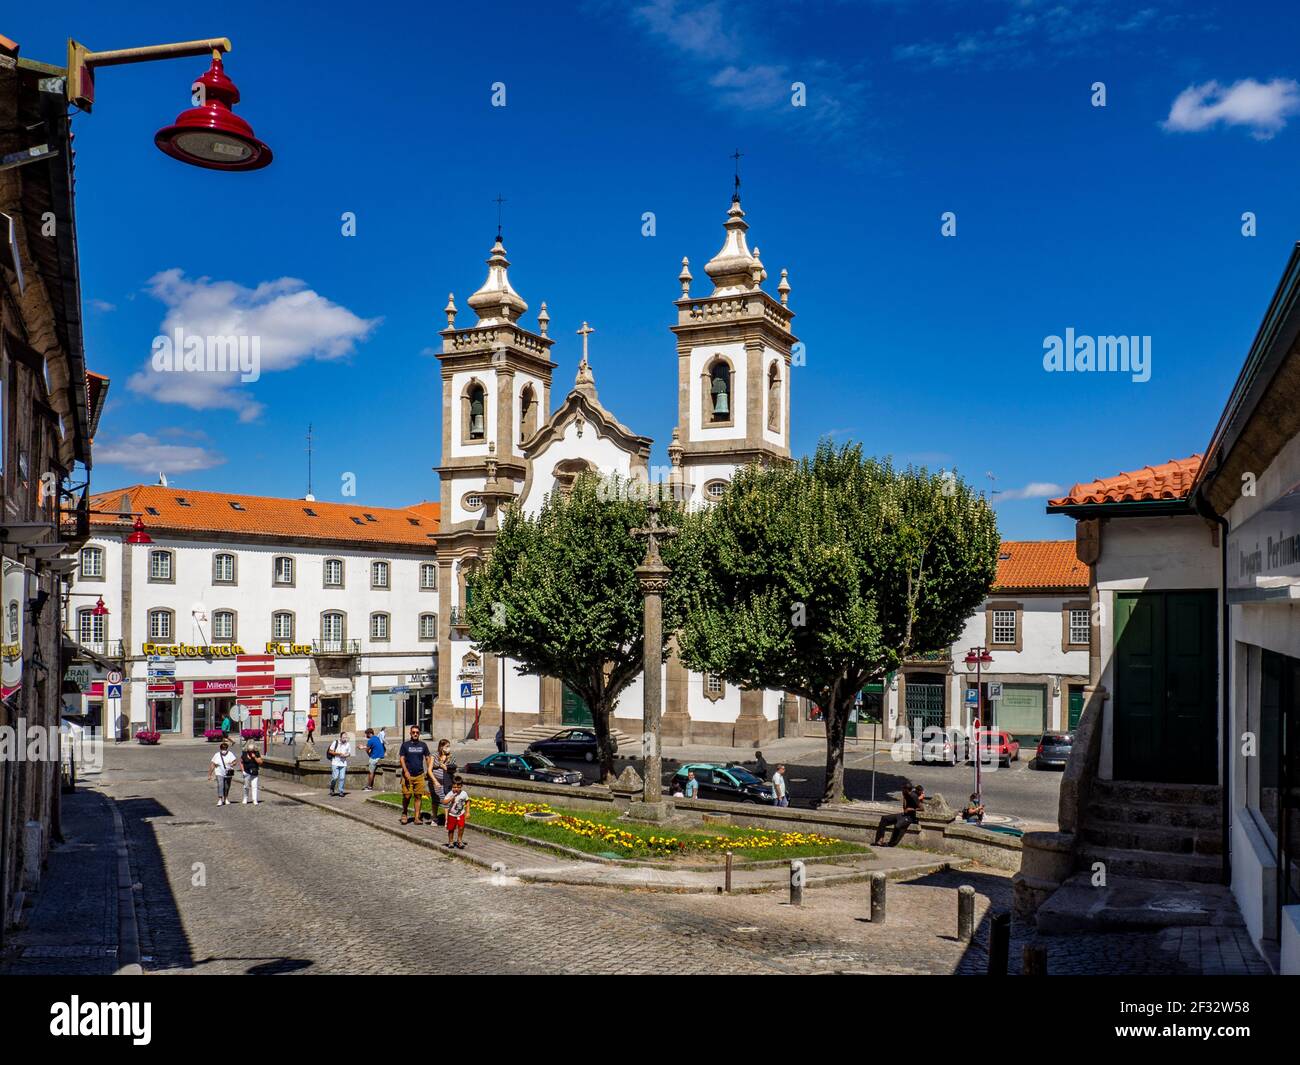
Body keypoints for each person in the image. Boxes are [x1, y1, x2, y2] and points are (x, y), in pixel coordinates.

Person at [398, 725, 431, 825]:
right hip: (407, 775)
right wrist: (405, 771)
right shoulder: (405, 745)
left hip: (419, 775)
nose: (415, 734)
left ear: (419, 733)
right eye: (413, 732)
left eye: (417, 732)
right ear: (410, 733)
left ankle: (417, 817)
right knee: (407, 796)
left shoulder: (423, 745)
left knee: (418, 796)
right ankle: (404, 813)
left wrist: (429, 770)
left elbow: (427, 757)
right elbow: (402, 759)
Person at [429, 738, 455, 824]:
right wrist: (435, 781)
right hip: (435, 782)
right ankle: (434, 818)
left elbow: (453, 769)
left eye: (449, 746)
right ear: (441, 747)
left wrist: (445, 766)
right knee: (435, 800)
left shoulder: (451, 757)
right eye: (446, 746)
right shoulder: (434, 756)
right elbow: (429, 770)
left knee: (447, 801)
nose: (448, 748)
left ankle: (447, 821)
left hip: (447, 782)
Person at [444, 775, 470, 849]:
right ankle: (451, 842)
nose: (456, 789)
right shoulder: (450, 793)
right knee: (451, 829)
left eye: (458, 787)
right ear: (452, 786)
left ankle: (459, 840)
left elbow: (467, 802)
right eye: (454, 787)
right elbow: (444, 802)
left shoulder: (464, 793)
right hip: (452, 814)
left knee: (461, 827)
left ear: (461, 786)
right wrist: (451, 799)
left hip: (460, 814)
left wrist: (467, 812)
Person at [208, 741, 237, 806]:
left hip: (228, 773)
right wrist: (209, 774)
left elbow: (235, 762)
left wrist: (232, 764)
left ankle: (226, 798)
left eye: (225, 749)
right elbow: (212, 765)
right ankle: (220, 799)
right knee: (220, 785)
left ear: (227, 749)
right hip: (219, 772)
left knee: (227, 786)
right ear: (220, 749)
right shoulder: (217, 755)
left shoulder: (230, 754)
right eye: (223, 749)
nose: (224, 750)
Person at [327, 732, 353, 796]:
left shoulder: (348, 744)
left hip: (343, 763)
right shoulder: (335, 742)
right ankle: (332, 788)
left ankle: (341, 791)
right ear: (340, 737)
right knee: (335, 778)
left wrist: (346, 755)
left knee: (342, 778)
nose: (345, 739)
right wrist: (338, 754)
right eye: (343, 737)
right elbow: (330, 751)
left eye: (346, 737)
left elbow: (349, 753)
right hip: (335, 762)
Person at [363, 727, 386, 791]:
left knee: (371, 772)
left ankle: (369, 787)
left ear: (370, 733)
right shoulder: (377, 738)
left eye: (367, 734)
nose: (366, 736)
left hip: (375, 758)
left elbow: (367, 750)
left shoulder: (370, 740)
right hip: (381, 756)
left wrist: (370, 756)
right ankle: (369, 786)